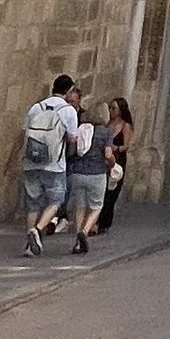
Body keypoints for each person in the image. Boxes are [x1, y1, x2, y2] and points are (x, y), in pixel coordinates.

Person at [19, 75, 82, 252]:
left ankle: (29, 246)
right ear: (69, 91)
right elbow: (72, 139)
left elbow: (24, 133)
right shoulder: (69, 111)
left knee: (32, 202)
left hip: (32, 161)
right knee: (56, 200)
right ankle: (37, 230)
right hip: (54, 164)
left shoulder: (36, 108)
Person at [63, 95, 115, 255]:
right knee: (96, 206)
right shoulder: (106, 133)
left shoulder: (82, 129)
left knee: (80, 205)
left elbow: (72, 151)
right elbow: (107, 154)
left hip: (77, 173)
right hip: (96, 173)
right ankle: (84, 232)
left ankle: (78, 237)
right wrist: (113, 163)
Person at [94, 97, 134, 234]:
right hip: (105, 159)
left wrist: (113, 148)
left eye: (114, 108)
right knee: (102, 190)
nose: (111, 111)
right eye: (110, 108)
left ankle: (105, 222)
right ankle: (97, 221)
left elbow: (126, 146)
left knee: (112, 191)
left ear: (120, 110)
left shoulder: (125, 125)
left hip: (118, 160)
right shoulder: (107, 124)